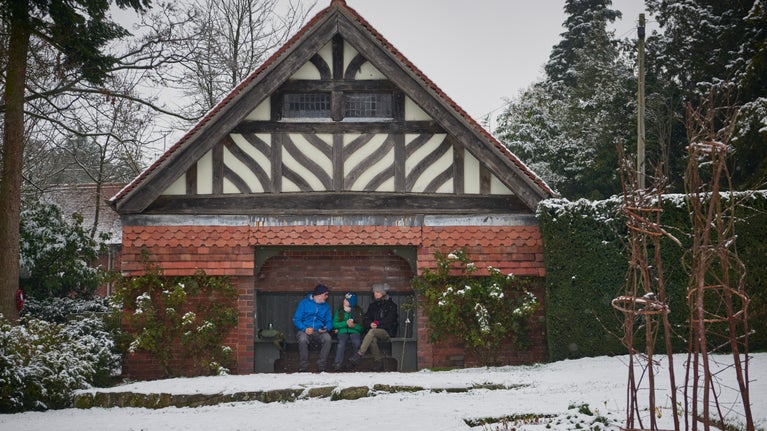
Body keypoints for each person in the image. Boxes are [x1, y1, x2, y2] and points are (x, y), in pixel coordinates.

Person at [349, 283, 398, 371]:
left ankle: (359, 354)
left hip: (387, 331)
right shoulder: (373, 306)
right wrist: (370, 324)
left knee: (371, 332)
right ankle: (378, 362)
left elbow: (389, 320)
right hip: (374, 331)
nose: (375, 294)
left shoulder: (391, 305)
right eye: (374, 292)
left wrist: (377, 324)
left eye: (378, 292)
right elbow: (366, 319)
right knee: (372, 339)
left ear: (383, 293)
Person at [292, 283, 333, 372]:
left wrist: (326, 328)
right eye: (325, 295)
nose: (326, 297)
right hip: (305, 330)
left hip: (319, 331)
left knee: (328, 339)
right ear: (319, 295)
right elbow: (296, 319)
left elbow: (329, 321)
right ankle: (304, 366)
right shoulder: (304, 303)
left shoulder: (326, 306)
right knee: (302, 339)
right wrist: (305, 329)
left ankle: (322, 364)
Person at [331, 292, 364, 371]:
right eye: (344, 299)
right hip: (342, 331)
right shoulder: (340, 311)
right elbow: (334, 324)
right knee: (341, 343)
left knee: (356, 342)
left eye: (347, 300)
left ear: (351, 302)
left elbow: (362, 327)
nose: (344, 301)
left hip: (354, 331)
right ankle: (337, 363)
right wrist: (345, 323)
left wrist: (354, 326)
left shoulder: (358, 312)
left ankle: (355, 361)